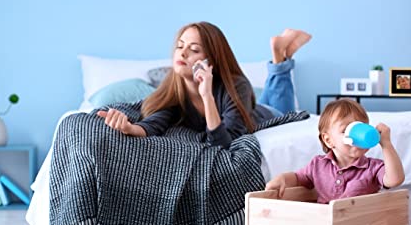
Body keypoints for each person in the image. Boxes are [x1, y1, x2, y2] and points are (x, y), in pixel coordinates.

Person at [96, 21, 311, 148]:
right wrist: (129, 128)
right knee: (268, 96)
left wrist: (207, 95)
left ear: (212, 60)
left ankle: (279, 60)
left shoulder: (236, 86)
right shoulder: (174, 91)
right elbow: (154, 124)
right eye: (180, 46)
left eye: (194, 49)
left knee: (284, 110)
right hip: (247, 104)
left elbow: (224, 143)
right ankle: (282, 54)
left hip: (262, 114)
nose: (183, 52)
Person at [265, 98, 405, 203]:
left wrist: (386, 144)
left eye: (360, 128)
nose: (356, 135)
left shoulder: (372, 168)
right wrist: (282, 178)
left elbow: (395, 180)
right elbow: (298, 178)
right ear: (328, 140)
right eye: (346, 130)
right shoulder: (318, 165)